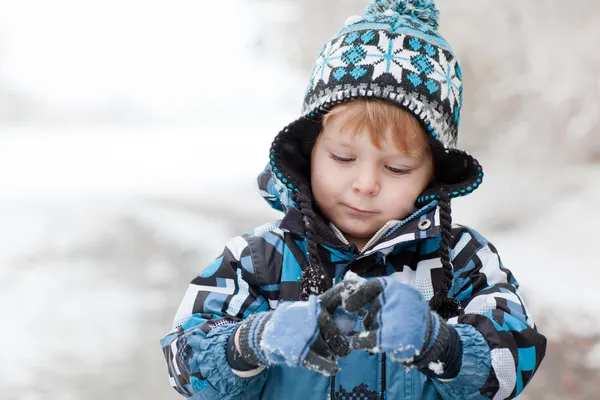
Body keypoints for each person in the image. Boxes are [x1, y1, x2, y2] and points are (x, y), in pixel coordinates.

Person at [160, 0, 547, 398]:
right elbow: (183, 362)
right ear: (309, 150)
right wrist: (250, 341)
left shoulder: (461, 261)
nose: (365, 184)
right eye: (343, 158)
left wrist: (442, 343)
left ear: (433, 176)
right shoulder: (259, 259)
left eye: (396, 168)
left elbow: (513, 361)